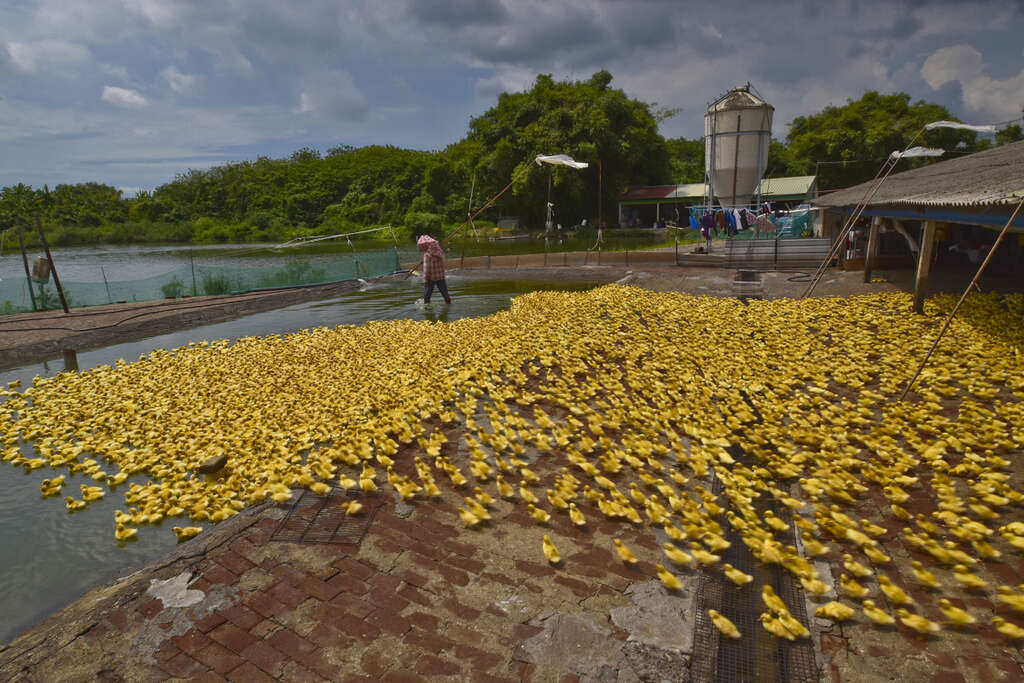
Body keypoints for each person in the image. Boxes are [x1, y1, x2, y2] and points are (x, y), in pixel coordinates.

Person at [417, 235, 451, 304]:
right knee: (444, 292)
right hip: (440, 276)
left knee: (427, 295)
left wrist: (426, 278)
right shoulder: (438, 250)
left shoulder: (427, 255)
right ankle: (448, 302)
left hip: (430, 277)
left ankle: (426, 307)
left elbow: (427, 268)